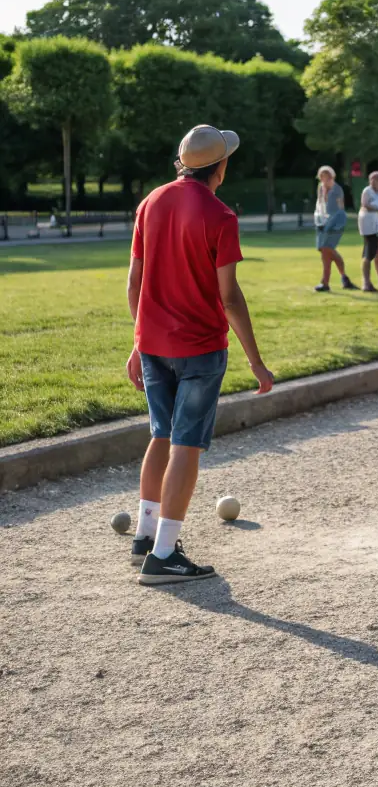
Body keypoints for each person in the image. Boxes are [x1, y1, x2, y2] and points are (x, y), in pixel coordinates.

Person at [126, 125, 274, 585]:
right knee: (186, 445)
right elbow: (229, 296)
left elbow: (135, 282)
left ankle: (145, 538)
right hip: (201, 348)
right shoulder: (220, 216)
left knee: (160, 436)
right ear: (221, 167)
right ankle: (165, 554)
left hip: (153, 346)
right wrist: (255, 360)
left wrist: (137, 341)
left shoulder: (150, 202)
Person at [313, 164, 355, 292]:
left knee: (327, 249)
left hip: (336, 223)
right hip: (322, 223)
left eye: (327, 176)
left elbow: (339, 210)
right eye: (322, 176)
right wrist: (319, 220)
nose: (325, 179)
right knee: (325, 252)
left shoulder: (337, 190)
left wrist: (331, 223)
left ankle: (325, 282)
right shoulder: (320, 188)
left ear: (332, 176)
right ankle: (343, 278)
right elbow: (320, 206)